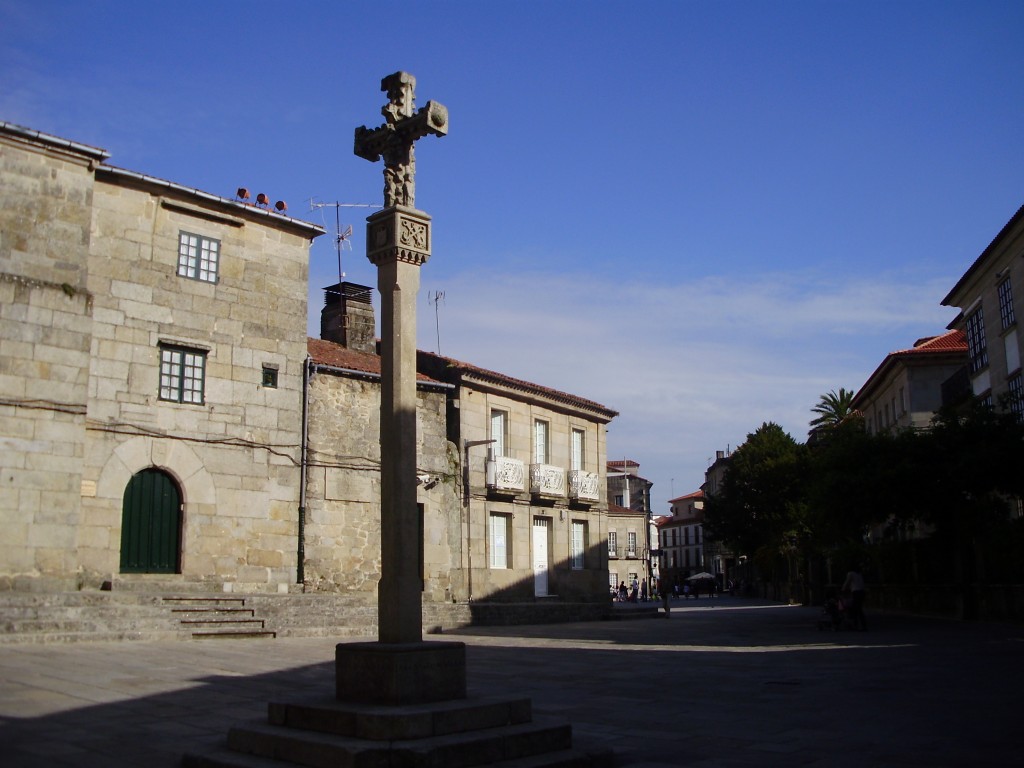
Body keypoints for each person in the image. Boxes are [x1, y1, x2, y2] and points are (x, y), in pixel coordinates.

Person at [842, 564, 868, 630]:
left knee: (856, 609)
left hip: (856, 592)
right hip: (862, 591)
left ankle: (857, 625)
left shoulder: (850, 573)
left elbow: (847, 582)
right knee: (859, 608)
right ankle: (861, 624)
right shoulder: (859, 574)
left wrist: (843, 589)